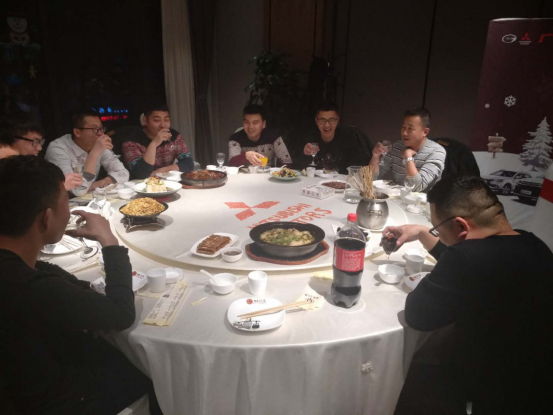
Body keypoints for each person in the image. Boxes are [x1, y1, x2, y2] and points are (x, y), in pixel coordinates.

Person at [0, 156, 162, 414]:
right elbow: (120, 314)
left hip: (24, 381)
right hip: (61, 400)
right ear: (46, 218)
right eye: (66, 202)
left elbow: (46, 274)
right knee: (154, 374)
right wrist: (109, 241)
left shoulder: (17, 268)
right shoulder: (29, 288)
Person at [385, 175, 552, 414]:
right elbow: (476, 264)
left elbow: (417, 315)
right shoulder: (534, 244)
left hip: (491, 392)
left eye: (437, 229)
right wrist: (422, 233)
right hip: (538, 383)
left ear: (462, 226)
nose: (437, 234)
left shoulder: (465, 260)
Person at [45, 109, 129, 192]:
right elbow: (77, 190)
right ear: (77, 132)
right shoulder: (58, 149)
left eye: (101, 128)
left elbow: (123, 173)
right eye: (95, 129)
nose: (101, 134)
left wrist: (100, 183)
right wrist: (94, 154)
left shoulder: (97, 145)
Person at [0, 112, 83, 191]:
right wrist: (60, 188)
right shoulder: (7, 167)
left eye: (40, 142)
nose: (39, 148)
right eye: (35, 141)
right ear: (13, 138)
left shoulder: (26, 166)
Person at [370, 108, 446, 192]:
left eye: (410, 128)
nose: (404, 133)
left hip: (422, 199)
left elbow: (416, 187)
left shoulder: (436, 152)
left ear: (425, 132)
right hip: (398, 197)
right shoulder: (397, 146)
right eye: (403, 127)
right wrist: (375, 156)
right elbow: (371, 178)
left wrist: (408, 157)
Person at [120, 104, 194, 179]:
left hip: (166, 181)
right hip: (139, 184)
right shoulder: (131, 142)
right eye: (157, 120)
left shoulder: (174, 136)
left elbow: (188, 163)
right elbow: (142, 173)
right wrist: (154, 144)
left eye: (166, 120)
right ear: (145, 121)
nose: (163, 125)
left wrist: (162, 171)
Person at [302, 102, 373, 174]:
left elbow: (357, 171)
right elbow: (301, 170)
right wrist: (304, 154)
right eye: (322, 120)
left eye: (331, 120)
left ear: (337, 120)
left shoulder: (350, 139)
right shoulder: (309, 139)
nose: (327, 125)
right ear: (316, 121)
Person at [228, 104, 292, 167]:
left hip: (267, 173)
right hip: (244, 173)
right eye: (246, 122)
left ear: (263, 124)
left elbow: (287, 162)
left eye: (255, 123)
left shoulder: (273, 136)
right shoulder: (235, 139)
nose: (250, 127)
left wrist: (278, 171)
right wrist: (245, 156)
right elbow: (232, 163)